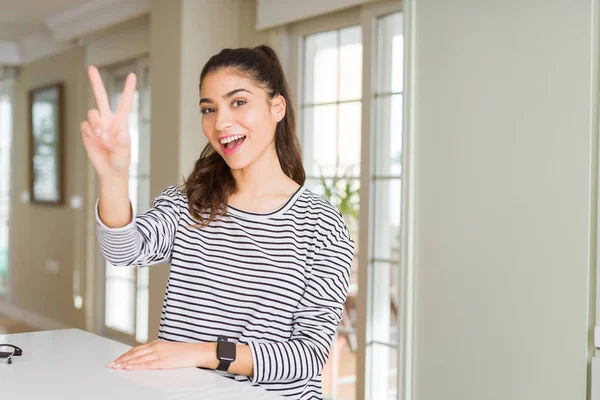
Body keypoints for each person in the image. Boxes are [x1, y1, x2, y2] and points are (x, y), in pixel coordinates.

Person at [80, 45, 354, 400]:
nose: (221, 122)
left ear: (277, 108)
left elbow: (308, 356)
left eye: (238, 102)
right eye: (209, 109)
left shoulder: (321, 225)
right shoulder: (188, 203)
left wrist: (200, 352)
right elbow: (123, 251)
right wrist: (114, 175)